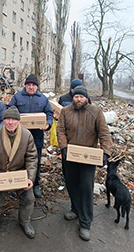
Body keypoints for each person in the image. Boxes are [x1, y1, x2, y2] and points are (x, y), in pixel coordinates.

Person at [56, 85, 112, 241]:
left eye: (81, 97)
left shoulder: (95, 112)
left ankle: (86, 222)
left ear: (86, 98)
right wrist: (64, 147)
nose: (78, 99)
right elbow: (60, 130)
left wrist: (106, 153)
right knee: (72, 184)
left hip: (88, 158)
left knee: (86, 188)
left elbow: (104, 133)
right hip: (70, 156)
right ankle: (75, 209)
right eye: (76, 96)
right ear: (72, 97)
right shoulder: (65, 112)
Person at [0, 106, 38, 238]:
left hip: (20, 173)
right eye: (7, 119)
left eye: (13, 119)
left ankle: (25, 221)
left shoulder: (26, 135)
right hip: (0, 173)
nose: (10, 122)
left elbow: (32, 158)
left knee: (29, 198)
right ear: (4, 120)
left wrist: (30, 178)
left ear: (18, 121)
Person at [8, 74, 53, 198]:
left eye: (33, 85)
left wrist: (48, 124)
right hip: (18, 135)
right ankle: (16, 184)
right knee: (17, 160)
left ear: (37, 87)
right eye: (29, 85)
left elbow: (49, 113)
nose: (31, 87)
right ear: (25, 86)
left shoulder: (43, 99)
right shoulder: (17, 97)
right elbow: (9, 110)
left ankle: (35, 184)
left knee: (36, 161)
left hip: (36, 136)